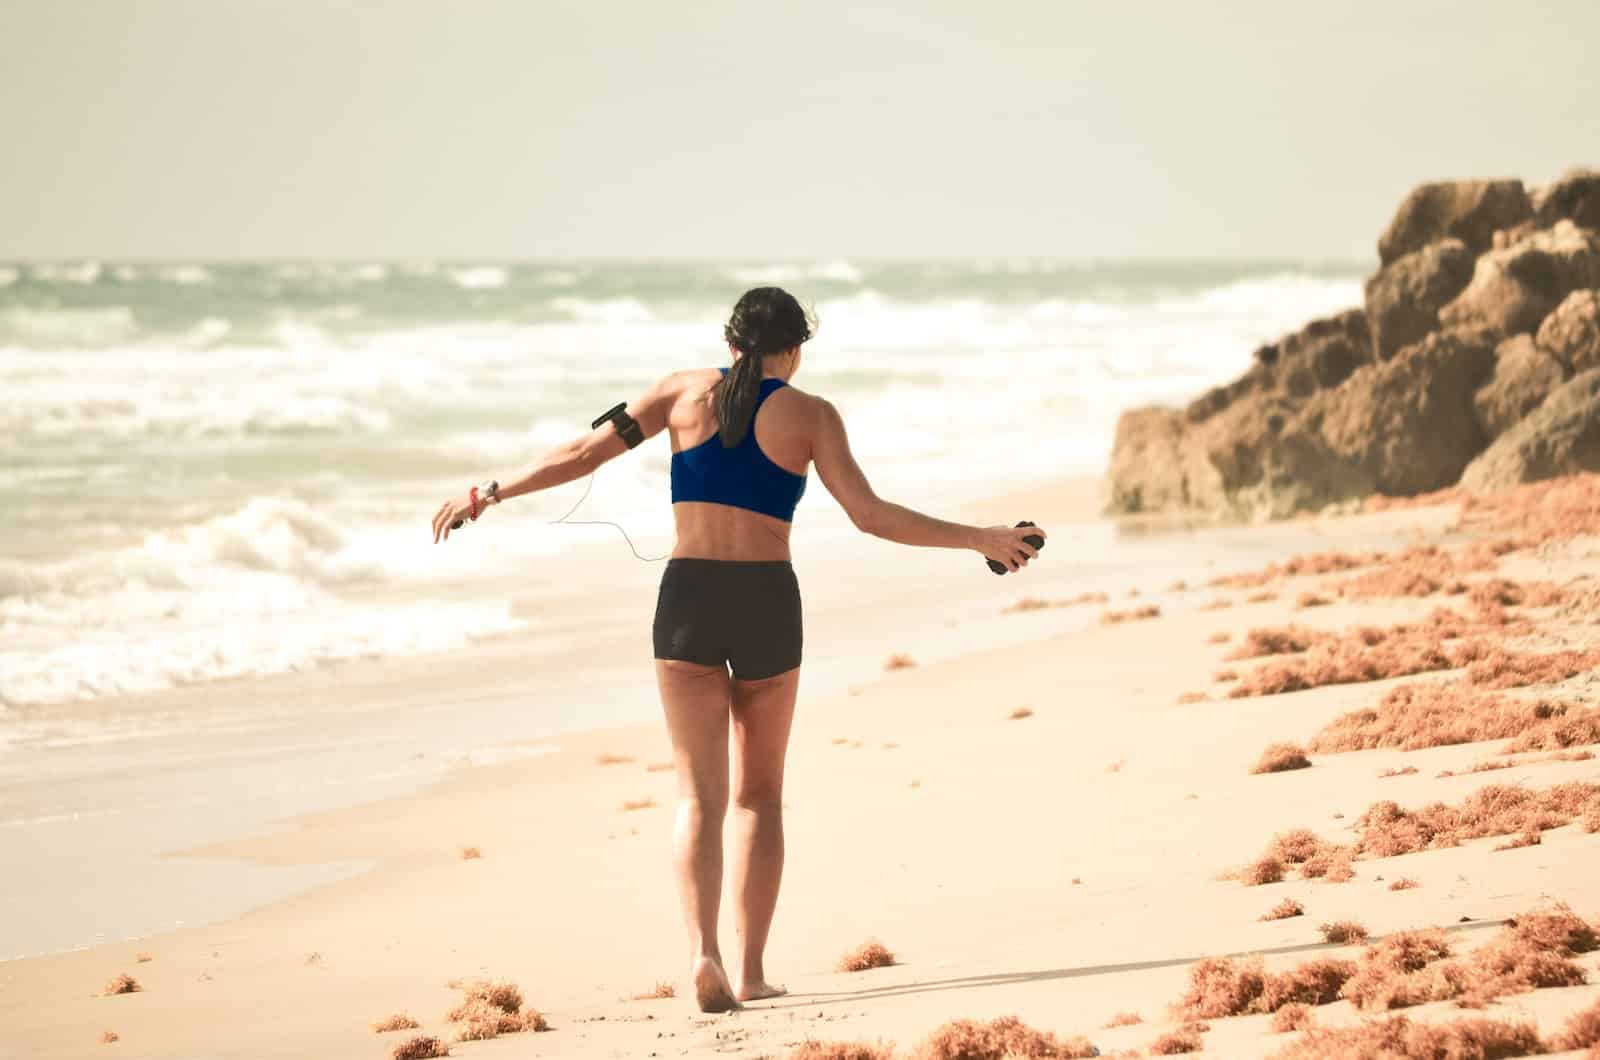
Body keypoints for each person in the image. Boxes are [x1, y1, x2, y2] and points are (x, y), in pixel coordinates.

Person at [431, 286, 1046, 1012]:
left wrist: (490, 493)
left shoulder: (677, 394)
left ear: (729, 344)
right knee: (758, 798)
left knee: (698, 797)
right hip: (765, 602)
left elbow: (581, 453)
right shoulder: (812, 416)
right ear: (794, 350)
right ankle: (751, 971)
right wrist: (983, 538)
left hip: (687, 600)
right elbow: (871, 516)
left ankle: (703, 954)